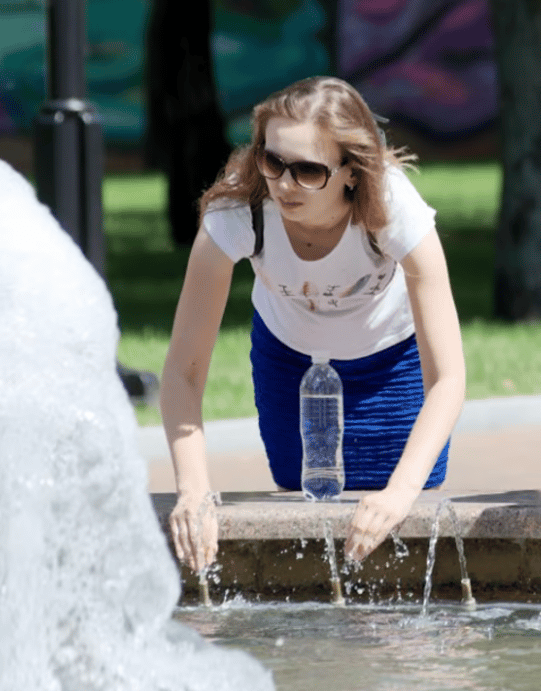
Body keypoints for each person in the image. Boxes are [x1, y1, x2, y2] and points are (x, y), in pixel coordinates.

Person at [161, 76, 466, 572]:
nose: (283, 183)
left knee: (398, 514)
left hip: (393, 364)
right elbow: (183, 372)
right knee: (302, 509)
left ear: (351, 170)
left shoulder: (395, 211)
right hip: (289, 359)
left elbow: (448, 378)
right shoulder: (239, 213)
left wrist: (401, 490)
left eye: (307, 170)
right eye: (273, 160)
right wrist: (194, 493)